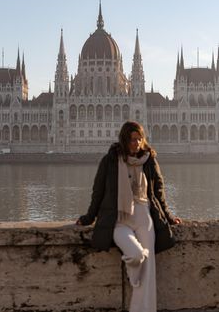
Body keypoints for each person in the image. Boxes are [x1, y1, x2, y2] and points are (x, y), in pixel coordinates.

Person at [76, 121, 182, 312]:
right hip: (119, 218)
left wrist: (168, 215)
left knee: (149, 272)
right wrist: (88, 217)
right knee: (137, 255)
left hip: (144, 215)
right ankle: (134, 272)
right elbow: (98, 192)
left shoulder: (149, 160)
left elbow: (158, 192)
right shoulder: (110, 160)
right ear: (124, 140)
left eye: (140, 138)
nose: (137, 142)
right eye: (133, 139)